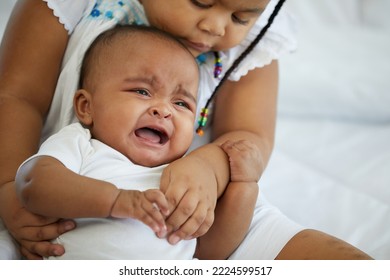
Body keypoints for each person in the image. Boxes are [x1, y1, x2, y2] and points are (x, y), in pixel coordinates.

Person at [0, 0, 372, 260]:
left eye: (242, 16)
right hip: (58, 201)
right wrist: (6, 192)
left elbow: (250, 138)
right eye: (200, 1)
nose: (217, 26)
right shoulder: (74, 4)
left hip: (197, 203)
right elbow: (18, 97)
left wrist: (211, 166)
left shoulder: (254, 40)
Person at [15, 24, 261, 260]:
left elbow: (207, 252)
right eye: (142, 92)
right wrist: (115, 201)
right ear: (86, 107)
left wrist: (244, 187)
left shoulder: (182, 179)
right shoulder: (81, 144)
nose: (164, 110)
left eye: (181, 103)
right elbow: (32, 182)